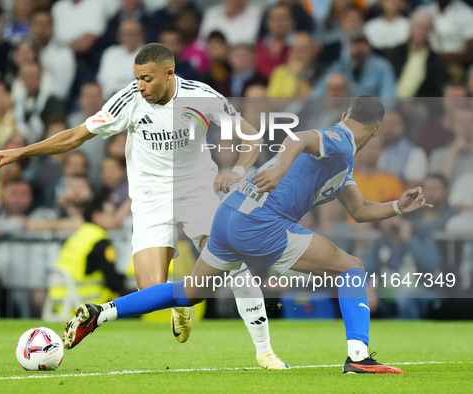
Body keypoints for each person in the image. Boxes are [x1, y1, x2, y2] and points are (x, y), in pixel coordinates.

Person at [62, 96, 433, 374]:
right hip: (262, 221)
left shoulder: (341, 163)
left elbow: (360, 210)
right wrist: (279, 169)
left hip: (230, 216)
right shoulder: (343, 139)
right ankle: (358, 358)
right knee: (350, 267)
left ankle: (101, 313)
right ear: (377, 129)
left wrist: (398, 207)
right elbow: (299, 138)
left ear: (344, 113)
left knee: (191, 292)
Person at [0, 43, 285, 369]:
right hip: (151, 198)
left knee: (234, 263)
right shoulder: (129, 100)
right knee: (151, 291)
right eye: (137, 78)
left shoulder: (201, 96)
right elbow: (76, 136)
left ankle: (264, 351)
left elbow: (250, 137)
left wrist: (238, 170)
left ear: (169, 74)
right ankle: (180, 302)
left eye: (147, 79)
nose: (140, 86)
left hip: (198, 191)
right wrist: (21, 152)